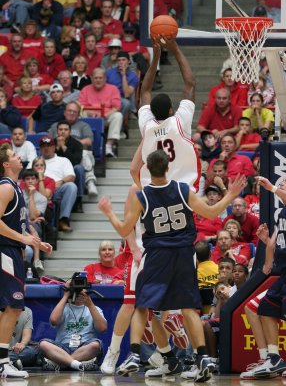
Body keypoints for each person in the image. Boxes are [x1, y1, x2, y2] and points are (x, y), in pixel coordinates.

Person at [99, 149, 246, 381]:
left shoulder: (142, 196)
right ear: (168, 168)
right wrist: (231, 195)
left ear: (148, 169)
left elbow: (124, 230)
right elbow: (210, 212)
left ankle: (135, 354)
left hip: (157, 255)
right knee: (188, 308)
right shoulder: (183, 189)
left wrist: (109, 212)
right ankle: (202, 357)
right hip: (184, 254)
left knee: (141, 305)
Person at [0, 142, 52, 379]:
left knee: (13, 307)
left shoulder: (17, 188)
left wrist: (36, 242)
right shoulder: (5, 188)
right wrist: (22, 237)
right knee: (13, 306)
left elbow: (19, 224)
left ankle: (2, 360)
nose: (19, 156)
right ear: (6, 164)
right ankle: (2, 362)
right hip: (5, 251)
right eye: (13, 154)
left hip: (14, 251)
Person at [136, 38, 200, 191]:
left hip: (153, 189)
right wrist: (175, 49)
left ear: (150, 112)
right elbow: (190, 84)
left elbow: (145, 91)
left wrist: (156, 57)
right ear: (171, 110)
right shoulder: (179, 123)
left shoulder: (146, 125)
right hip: (182, 187)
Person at [239, 175, 286, 378]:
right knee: (261, 308)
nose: (282, 183)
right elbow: (273, 248)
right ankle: (271, 359)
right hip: (283, 273)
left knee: (267, 308)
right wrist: (266, 241)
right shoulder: (281, 213)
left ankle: (272, 359)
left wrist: (273, 188)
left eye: (285, 182)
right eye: (281, 181)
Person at [39, 278, 107, 371]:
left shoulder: (94, 308)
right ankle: (77, 364)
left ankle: (61, 364)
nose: (78, 291)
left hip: (84, 347)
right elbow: (54, 321)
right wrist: (65, 295)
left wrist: (90, 304)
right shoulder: (64, 308)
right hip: (63, 348)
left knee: (95, 345)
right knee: (44, 344)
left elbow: (102, 329)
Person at [78, 67, 123, 158]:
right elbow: (81, 106)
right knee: (81, 113)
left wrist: (106, 114)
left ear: (105, 78)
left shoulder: (113, 89)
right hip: (90, 117)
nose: (98, 80)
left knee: (118, 115)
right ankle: (83, 143)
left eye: (100, 78)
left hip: (106, 116)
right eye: (95, 78)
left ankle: (109, 145)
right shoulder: (85, 89)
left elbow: (116, 107)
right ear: (91, 79)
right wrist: (90, 113)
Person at [39, 135, 77, 232]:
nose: (46, 148)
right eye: (43, 146)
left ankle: (63, 220)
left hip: (57, 190)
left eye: (49, 145)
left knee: (71, 186)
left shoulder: (63, 160)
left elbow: (71, 176)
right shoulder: (36, 161)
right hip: (40, 191)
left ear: (54, 147)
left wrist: (62, 181)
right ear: (40, 148)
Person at [55, 120, 85, 213]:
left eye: (66, 129)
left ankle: (79, 201)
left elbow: (76, 161)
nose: (63, 132)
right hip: (55, 170)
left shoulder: (77, 144)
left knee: (79, 168)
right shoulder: (51, 143)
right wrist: (56, 148)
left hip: (70, 171)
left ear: (70, 131)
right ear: (57, 131)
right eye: (60, 129)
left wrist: (64, 148)